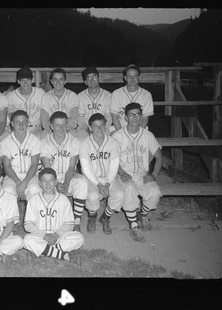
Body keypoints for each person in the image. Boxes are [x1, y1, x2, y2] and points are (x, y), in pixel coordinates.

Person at [111, 103, 163, 242]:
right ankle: (133, 226)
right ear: (126, 117)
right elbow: (112, 159)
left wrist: (153, 175)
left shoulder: (147, 135)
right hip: (123, 173)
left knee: (155, 192)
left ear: (141, 117)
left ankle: (143, 215)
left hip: (142, 174)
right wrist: (121, 173)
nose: (134, 117)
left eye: (137, 114)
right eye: (131, 114)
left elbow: (159, 157)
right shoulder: (117, 135)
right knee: (130, 189)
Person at [23, 168, 84, 264]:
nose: (48, 184)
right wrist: (44, 235)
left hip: (58, 237)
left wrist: (57, 234)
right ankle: (62, 255)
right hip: (40, 236)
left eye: (51, 181)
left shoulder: (63, 199)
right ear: (39, 183)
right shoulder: (33, 200)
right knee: (27, 240)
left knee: (79, 238)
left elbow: (69, 223)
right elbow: (28, 225)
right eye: (44, 181)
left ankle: (43, 251)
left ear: (56, 182)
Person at [40, 111, 88, 232]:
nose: (61, 128)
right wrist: (56, 183)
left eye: (63, 125)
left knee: (82, 182)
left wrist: (66, 183)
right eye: (57, 125)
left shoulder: (74, 141)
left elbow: (72, 167)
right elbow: (47, 169)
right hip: (49, 177)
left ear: (67, 125)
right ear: (51, 126)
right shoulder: (44, 142)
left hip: (68, 175)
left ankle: (76, 221)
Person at [79, 113, 125, 234]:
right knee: (93, 197)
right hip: (92, 179)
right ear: (90, 128)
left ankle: (105, 217)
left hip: (109, 178)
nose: (99, 129)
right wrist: (99, 185)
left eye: (101, 126)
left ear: (105, 126)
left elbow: (114, 166)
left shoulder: (113, 143)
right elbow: (85, 169)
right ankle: (92, 217)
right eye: (95, 126)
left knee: (120, 194)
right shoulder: (85, 144)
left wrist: (108, 184)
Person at [1, 110, 41, 201]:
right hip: (12, 176)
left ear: (28, 123)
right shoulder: (6, 142)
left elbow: (34, 165)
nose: (21, 125)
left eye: (24, 122)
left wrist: (24, 183)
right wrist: (18, 182)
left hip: (31, 175)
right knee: (7, 190)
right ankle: (13, 215)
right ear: (12, 124)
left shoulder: (34, 140)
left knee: (35, 190)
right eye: (17, 122)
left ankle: (32, 215)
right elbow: (7, 167)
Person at [6, 66, 46, 139]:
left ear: (32, 80)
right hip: (18, 128)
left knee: (37, 138)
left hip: (35, 128)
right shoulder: (11, 96)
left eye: (28, 80)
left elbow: (45, 113)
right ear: (18, 81)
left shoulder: (40, 93)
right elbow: (10, 116)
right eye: (22, 80)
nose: (25, 83)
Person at [110, 64, 154, 131]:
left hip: (140, 129)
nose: (132, 79)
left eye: (135, 76)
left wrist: (137, 134)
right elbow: (115, 118)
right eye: (129, 76)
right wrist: (122, 135)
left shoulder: (146, 95)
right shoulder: (116, 94)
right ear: (125, 78)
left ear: (139, 77)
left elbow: (145, 120)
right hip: (120, 128)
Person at [40, 68, 79, 139]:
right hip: (50, 130)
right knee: (42, 139)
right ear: (51, 81)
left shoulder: (72, 96)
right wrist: (52, 131)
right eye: (55, 79)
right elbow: (44, 120)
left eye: (61, 79)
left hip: (68, 130)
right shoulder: (46, 97)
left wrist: (64, 130)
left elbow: (74, 119)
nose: (58, 82)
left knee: (76, 139)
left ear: (65, 81)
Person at [78, 66, 113, 138]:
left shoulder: (108, 96)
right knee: (80, 137)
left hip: (103, 128)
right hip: (86, 129)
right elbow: (80, 117)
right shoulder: (80, 96)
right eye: (89, 78)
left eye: (94, 76)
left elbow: (109, 117)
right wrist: (87, 129)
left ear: (98, 78)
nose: (92, 80)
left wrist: (100, 128)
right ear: (85, 82)